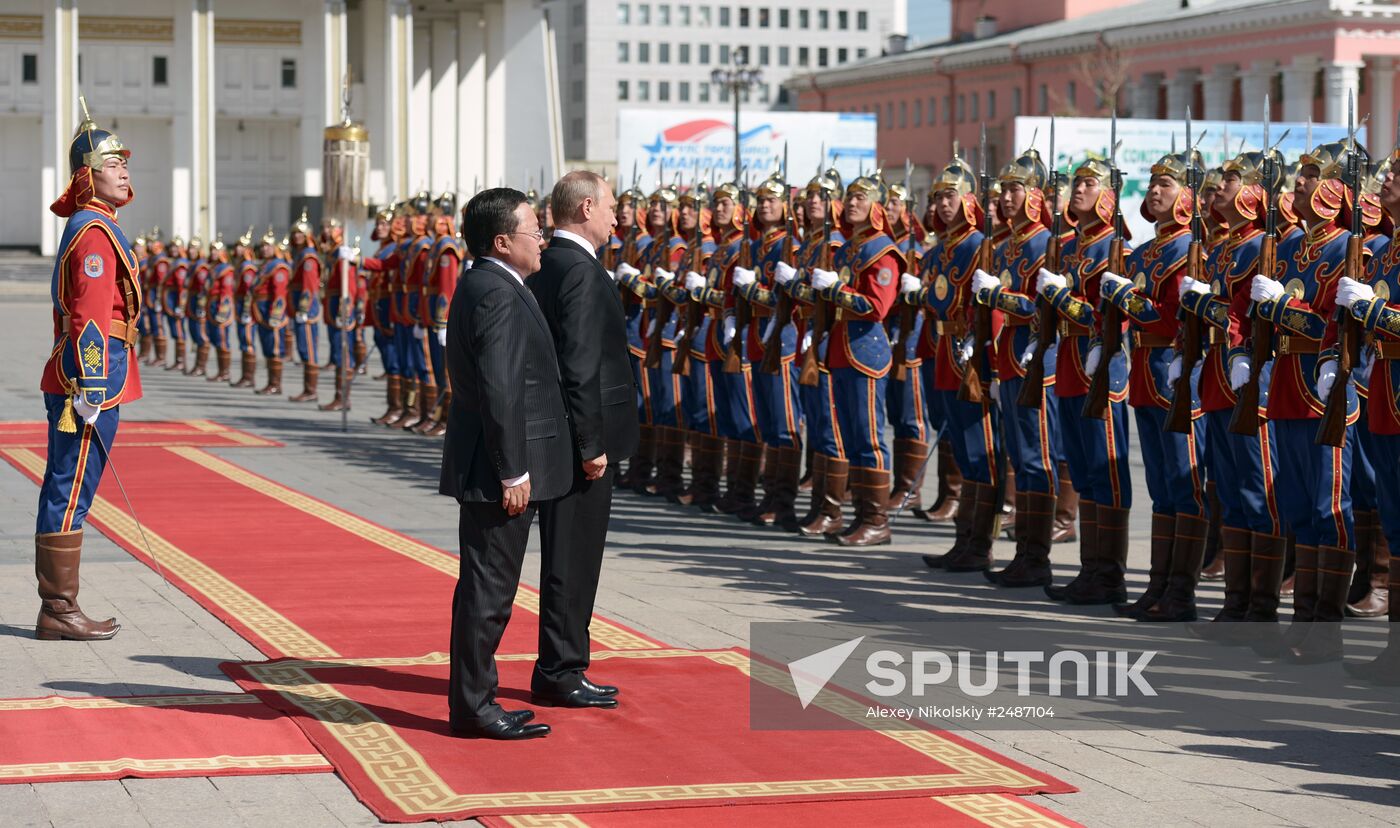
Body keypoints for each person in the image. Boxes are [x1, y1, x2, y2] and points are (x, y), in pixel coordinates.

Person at [440, 187, 572, 740]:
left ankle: (478, 699)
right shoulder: (495, 292)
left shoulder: (493, 283)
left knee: (487, 588)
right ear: (501, 242)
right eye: (532, 230)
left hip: (494, 460)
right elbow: (500, 390)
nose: (541, 239)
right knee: (488, 591)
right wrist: (512, 470)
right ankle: (474, 706)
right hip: (497, 468)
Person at [528, 170, 637, 708]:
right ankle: (562, 668)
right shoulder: (579, 270)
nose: (618, 216)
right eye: (612, 206)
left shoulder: (552, 262)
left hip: (560, 433)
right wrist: (591, 443)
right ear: (587, 208)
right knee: (574, 557)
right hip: (578, 440)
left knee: (566, 555)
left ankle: (560, 662)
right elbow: (579, 364)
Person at [35, 100, 141, 641]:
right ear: (87, 175)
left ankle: (59, 606)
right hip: (89, 381)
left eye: (124, 161)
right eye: (113, 162)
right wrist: (94, 386)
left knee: (70, 487)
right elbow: (92, 317)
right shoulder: (94, 231)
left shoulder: (97, 225)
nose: (124, 169)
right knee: (70, 490)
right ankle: (58, 607)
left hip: (89, 377)